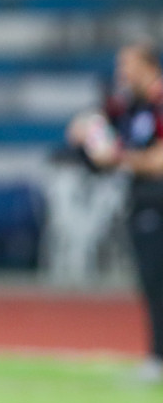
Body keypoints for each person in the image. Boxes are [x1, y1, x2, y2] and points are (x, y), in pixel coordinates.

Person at [68, 40, 163, 382]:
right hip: (142, 200)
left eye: (128, 66)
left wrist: (119, 158)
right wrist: (89, 130)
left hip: (158, 200)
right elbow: (92, 121)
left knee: (158, 280)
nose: (122, 74)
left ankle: (158, 358)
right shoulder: (130, 104)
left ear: (148, 65)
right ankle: (156, 356)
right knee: (151, 281)